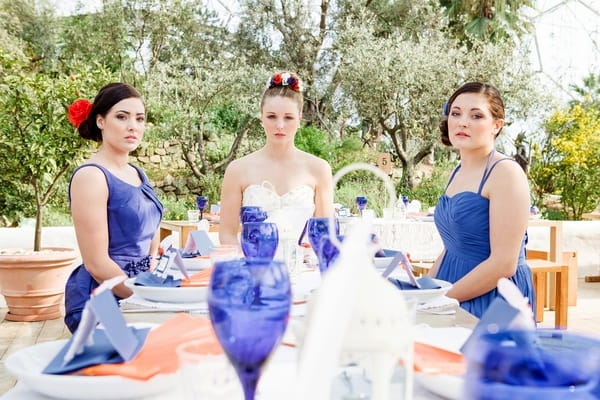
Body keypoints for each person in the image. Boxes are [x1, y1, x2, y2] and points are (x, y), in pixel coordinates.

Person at [428, 82, 535, 319]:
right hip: (452, 284)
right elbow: (452, 248)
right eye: (455, 113)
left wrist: (442, 300)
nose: (462, 122)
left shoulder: (506, 173)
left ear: (496, 125)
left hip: (492, 295)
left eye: (476, 115)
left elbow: (504, 264)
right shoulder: (457, 172)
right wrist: (424, 289)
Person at [64, 83, 163, 333]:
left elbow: (151, 232)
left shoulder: (137, 173)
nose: (133, 126)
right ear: (100, 121)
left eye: (140, 119)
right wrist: (145, 300)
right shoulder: (92, 176)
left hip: (140, 288)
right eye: (122, 117)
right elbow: (96, 263)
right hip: (104, 296)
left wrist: (153, 279)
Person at [219, 72, 334, 246]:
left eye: (288, 117)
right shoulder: (237, 170)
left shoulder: (319, 169)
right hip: (253, 267)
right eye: (272, 116)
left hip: (304, 268)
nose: (280, 125)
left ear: (299, 118)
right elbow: (227, 235)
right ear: (261, 117)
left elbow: (324, 236)